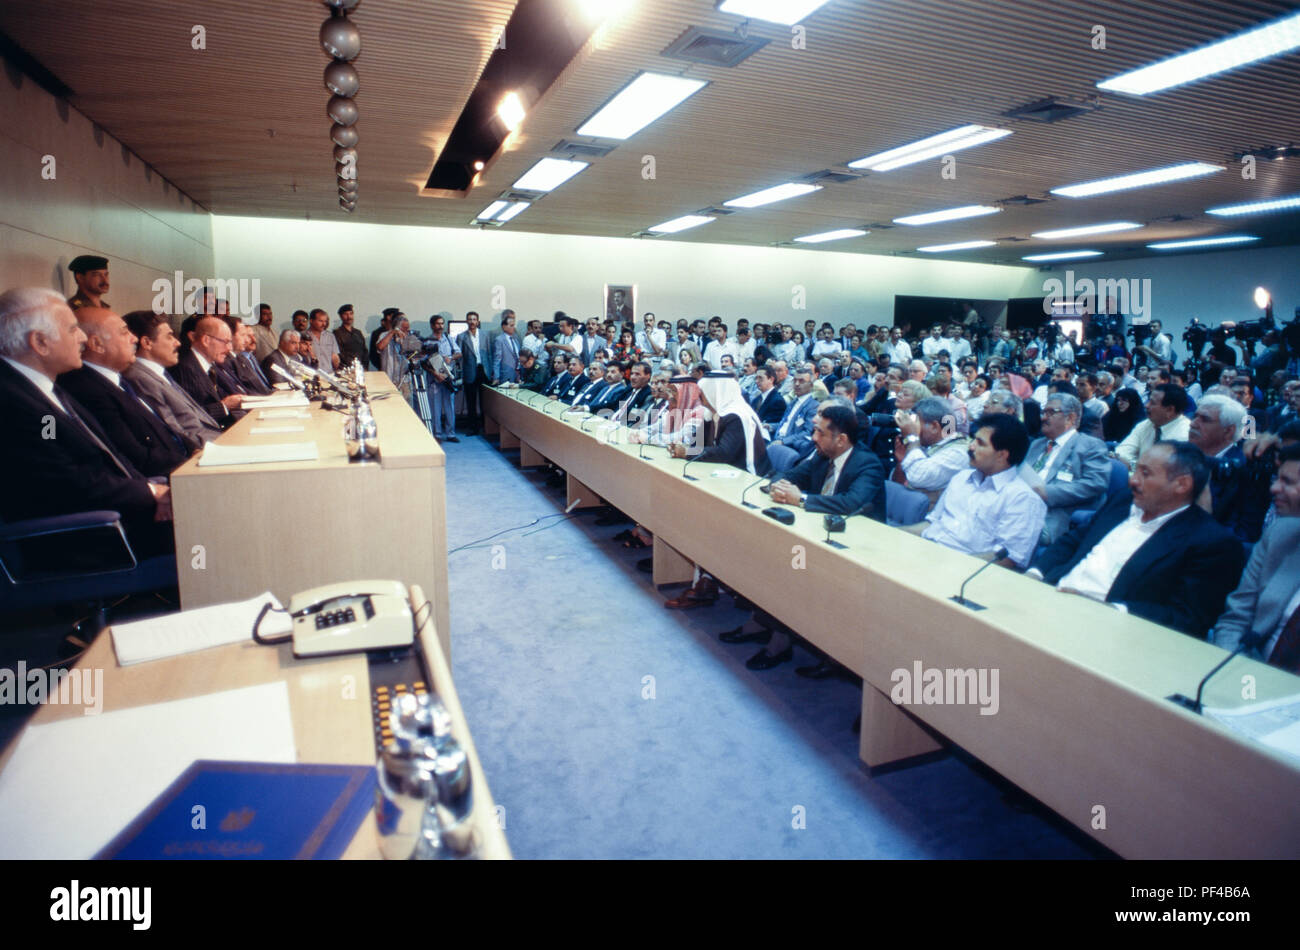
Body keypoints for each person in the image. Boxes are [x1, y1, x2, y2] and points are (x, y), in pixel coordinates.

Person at [0, 288, 172, 556]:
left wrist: (155, 492)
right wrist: (151, 493)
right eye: (72, 330)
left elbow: (110, 457)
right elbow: (67, 482)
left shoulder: (48, 389)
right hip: (89, 537)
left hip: (120, 515)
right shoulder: (17, 402)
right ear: (40, 342)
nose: (82, 337)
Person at [1030, 442, 1246, 639]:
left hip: (1110, 633)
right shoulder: (1123, 501)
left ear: (1182, 484)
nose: (1133, 479)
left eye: (1145, 473)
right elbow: (1074, 540)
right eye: (1136, 469)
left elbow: (1187, 619)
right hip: (1052, 598)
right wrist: (1035, 573)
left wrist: (1112, 611)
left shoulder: (1212, 544)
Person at [731, 402, 887, 670]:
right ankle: (763, 623)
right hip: (818, 531)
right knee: (766, 551)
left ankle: (790, 644)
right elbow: (793, 474)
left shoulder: (868, 464)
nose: (813, 438)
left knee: (788, 567)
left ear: (842, 439)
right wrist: (776, 485)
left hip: (855, 545)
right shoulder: (821, 454)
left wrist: (800, 499)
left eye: (820, 433)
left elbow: (849, 503)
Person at [58, 307, 191, 477]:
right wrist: (188, 462)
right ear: (97, 344)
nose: (134, 338)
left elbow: (166, 429)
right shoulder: (87, 390)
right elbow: (137, 456)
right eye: (124, 333)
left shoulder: (119, 379)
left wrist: (193, 450)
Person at [914, 413, 1047, 570]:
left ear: (1001, 455)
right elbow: (932, 524)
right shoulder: (962, 477)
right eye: (973, 439)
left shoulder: (1022, 499)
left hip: (962, 572)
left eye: (980, 443)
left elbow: (1007, 559)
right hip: (925, 554)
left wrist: (945, 565)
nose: (970, 446)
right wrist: (890, 534)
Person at [1211, 445, 1300, 666]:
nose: (1274, 488)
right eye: (1277, 479)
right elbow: (1234, 622)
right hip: (1249, 675)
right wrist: (1245, 683)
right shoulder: (1280, 536)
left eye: (1288, 482)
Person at [1020, 393, 1111, 545]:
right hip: (1019, 505)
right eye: (1043, 412)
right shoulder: (1036, 444)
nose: (1043, 417)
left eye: (1051, 412)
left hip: (1050, 516)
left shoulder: (1090, 445)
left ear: (1071, 418)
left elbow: (1096, 483)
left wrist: (1046, 492)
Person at [122, 310, 221, 448]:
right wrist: (226, 443)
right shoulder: (139, 378)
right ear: (147, 343)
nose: (177, 343)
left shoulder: (160, 373)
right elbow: (177, 434)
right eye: (169, 337)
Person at [1188, 394, 1271, 543]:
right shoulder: (1183, 456)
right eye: (1195, 417)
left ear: (1228, 431)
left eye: (1205, 420)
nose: (1193, 424)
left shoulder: (1246, 470)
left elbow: (1243, 535)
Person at [894, 396, 971, 509]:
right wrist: (901, 464)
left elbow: (917, 477)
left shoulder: (959, 453)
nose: (912, 428)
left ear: (934, 427)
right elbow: (898, 485)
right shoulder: (925, 445)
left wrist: (912, 437)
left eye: (915, 423)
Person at [169, 315, 245, 427]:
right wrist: (224, 406)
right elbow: (187, 417)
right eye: (225, 342)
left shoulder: (212, 367)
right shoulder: (184, 369)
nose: (229, 348)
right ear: (206, 340)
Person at [1114, 383, 1190, 470]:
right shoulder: (1147, 423)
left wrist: (1131, 464)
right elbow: (1121, 452)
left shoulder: (1185, 434)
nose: (1146, 405)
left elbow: (1161, 470)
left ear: (1169, 410)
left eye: (1152, 403)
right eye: (1148, 401)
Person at [763, 365, 819, 472]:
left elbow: (807, 432)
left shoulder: (813, 406)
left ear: (811, 385)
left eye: (801, 381)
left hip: (789, 446)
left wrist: (784, 441)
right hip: (776, 439)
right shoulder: (793, 402)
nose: (797, 384)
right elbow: (786, 424)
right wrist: (771, 426)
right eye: (795, 381)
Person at [425, 314, 461, 442]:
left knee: (449, 406)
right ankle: (437, 434)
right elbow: (424, 363)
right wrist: (435, 374)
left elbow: (459, 353)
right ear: (432, 325)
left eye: (442, 323)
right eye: (437, 324)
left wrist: (450, 358)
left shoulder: (449, 338)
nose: (440, 326)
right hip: (434, 379)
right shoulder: (428, 341)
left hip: (448, 378)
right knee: (435, 407)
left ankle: (451, 433)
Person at [456, 311, 491, 434]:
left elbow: (489, 354)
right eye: (470, 319)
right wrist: (460, 373)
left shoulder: (485, 335)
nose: (472, 321)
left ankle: (486, 427)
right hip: (470, 371)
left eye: (474, 319)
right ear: (467, 321)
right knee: (471, 402)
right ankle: (473, 428)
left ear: (478, 321)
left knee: (485, 402)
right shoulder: (461, 337)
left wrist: (491, 372)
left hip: (484, 371)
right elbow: (459, 357)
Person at [334, 304, 367, 370]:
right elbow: (339, 353)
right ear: (341, 316)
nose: (349, 317)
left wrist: (365, 367)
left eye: (351, 314)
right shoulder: (337, 333)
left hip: (360, 368)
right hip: (346, 369)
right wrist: (352, 366)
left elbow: (365, 351)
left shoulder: (358, 332)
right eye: (345, 314)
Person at [491, 314, 522, 384]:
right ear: (504, 327)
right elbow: (497, 360)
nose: (513, 328)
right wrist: (496, 377)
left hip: (516, 375)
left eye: (514, 325)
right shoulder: (499, 340)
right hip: (505, 375)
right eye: (511, 325)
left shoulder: (516, 340)